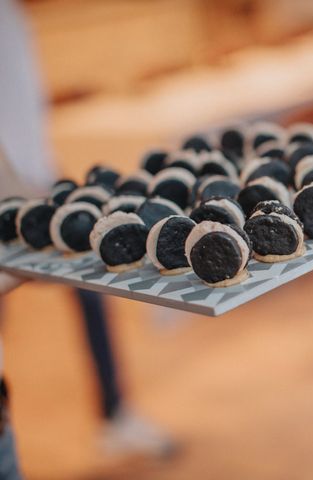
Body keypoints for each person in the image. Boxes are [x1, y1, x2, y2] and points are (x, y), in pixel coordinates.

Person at [0, 1, 174, 476]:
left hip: (36, 179)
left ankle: (115, 413)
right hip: (16, 192)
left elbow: (22, 104)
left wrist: (43, 176)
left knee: (92, 288)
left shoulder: (13, 14)